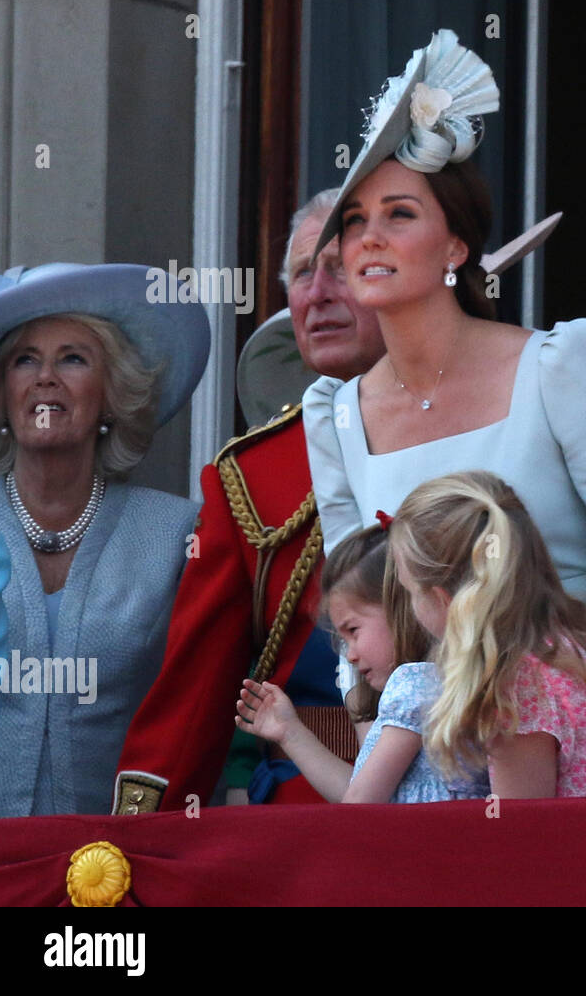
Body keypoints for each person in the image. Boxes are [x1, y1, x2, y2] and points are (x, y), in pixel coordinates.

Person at [303, 30, 586, 714]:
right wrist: (374, 733)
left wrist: (575, 674)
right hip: (427, 749)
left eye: (399, 214)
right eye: (356, 220)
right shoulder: (333, 415)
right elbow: (353, 606)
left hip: (577, 729)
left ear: (455, 243)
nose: (369, 237)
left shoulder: (563, 363)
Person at [114, 189, 386, 813]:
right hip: (310, 809)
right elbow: (194, 693)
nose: (317, 293)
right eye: (299, 274)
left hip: (476, 797)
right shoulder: (250, 473)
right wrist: (130, 844)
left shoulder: (486, 422)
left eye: (340, 269)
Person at [0, 263, 209, 816]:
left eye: (72, 358)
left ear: (112, 395)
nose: (45, 378)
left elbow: (202, 706)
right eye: (24, 360)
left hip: (120, 865)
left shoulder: (176, 534)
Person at [389, 471, 586, 798]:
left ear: (442, 600)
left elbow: (523, 828)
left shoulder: (513, 689)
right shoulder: (583, 641)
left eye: (409, 591)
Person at [234, 523, 485, 803]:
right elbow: (358, 793)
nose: (350, 655)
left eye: (353, 631)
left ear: (400, 610)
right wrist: (290, 733)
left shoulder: (413, 684)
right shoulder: (441, 682)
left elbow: (358, 804)